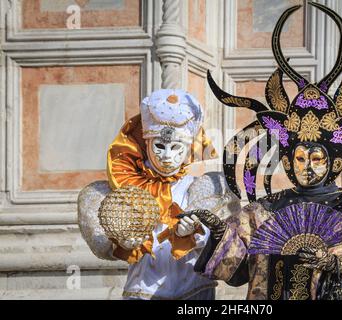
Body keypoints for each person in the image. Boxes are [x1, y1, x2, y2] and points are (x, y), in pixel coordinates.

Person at [182, 2, 342, 300]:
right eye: (300, 159)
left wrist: (335, 263)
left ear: (334, 162)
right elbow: (237, 272)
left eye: (316, 159)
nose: (308, 167)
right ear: (289, 163)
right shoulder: (262, 212)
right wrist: (219, 234)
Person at [78, 89, 239, 300]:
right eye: (160, 146)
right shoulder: (126, 189)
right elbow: (103, 245)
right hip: (142, 291)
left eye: (176, 147)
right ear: (147, 144)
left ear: (189, 148)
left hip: (194, 292)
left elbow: (229, 241)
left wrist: (195, 234)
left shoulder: (205, 188)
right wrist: (122, 242)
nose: (167, 156)